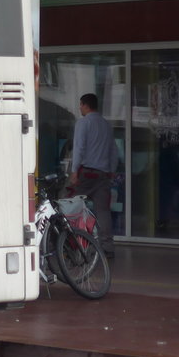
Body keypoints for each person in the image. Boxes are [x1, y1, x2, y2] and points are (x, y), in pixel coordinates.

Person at [69, 93, 117, 259]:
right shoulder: (106, 125)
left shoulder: (83, 123)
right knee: (103, 211)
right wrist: (112, 171)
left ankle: (73, 242)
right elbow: (113, 150)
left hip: (86, 174)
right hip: (103, 175)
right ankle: (107, 246)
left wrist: (74, 171)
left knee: (70, 204)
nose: (79, 108)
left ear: (85, 105)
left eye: (80, 105)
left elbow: (79, 148)